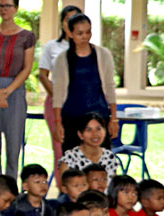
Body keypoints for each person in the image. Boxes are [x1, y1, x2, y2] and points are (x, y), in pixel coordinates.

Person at [0, 0, 35, 179]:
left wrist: (7, 91)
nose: (4, 9)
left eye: (8, 5)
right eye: (1, 6)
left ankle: (11, 190)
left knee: (13, 146)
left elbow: (27, 68)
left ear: (16, 8)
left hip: (15, 93)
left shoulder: (27, 36)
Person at [51, 13, 119, 153]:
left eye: (88, 32)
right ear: (70, 33)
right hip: (72, 119)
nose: (85, 37)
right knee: (73, 167)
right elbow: (58, 93)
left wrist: (114, 119)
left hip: (99, 118)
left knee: (100, 166)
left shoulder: (103, 55)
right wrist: (58, 122)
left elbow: (110, 86)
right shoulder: (62, 59)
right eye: (80, 33)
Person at [37, 5, 83, 168]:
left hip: (82, 104)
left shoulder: (88, 48)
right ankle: (64, 190)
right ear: (62, 23)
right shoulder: (53, 46)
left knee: (82, 150)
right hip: (56, 104)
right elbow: (42, 75)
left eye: (75, 18)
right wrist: (59, 98)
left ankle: (82, 191)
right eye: (67, 19)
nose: (71, 22)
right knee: (61, 151)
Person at [56, 113, 122, 179]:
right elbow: (65, 187)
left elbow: (112, 187)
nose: (95, 134)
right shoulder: (69, 159)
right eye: (89, 130)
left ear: (105, 131)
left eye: (98, 129)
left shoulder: (109, 157)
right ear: (80, 135)